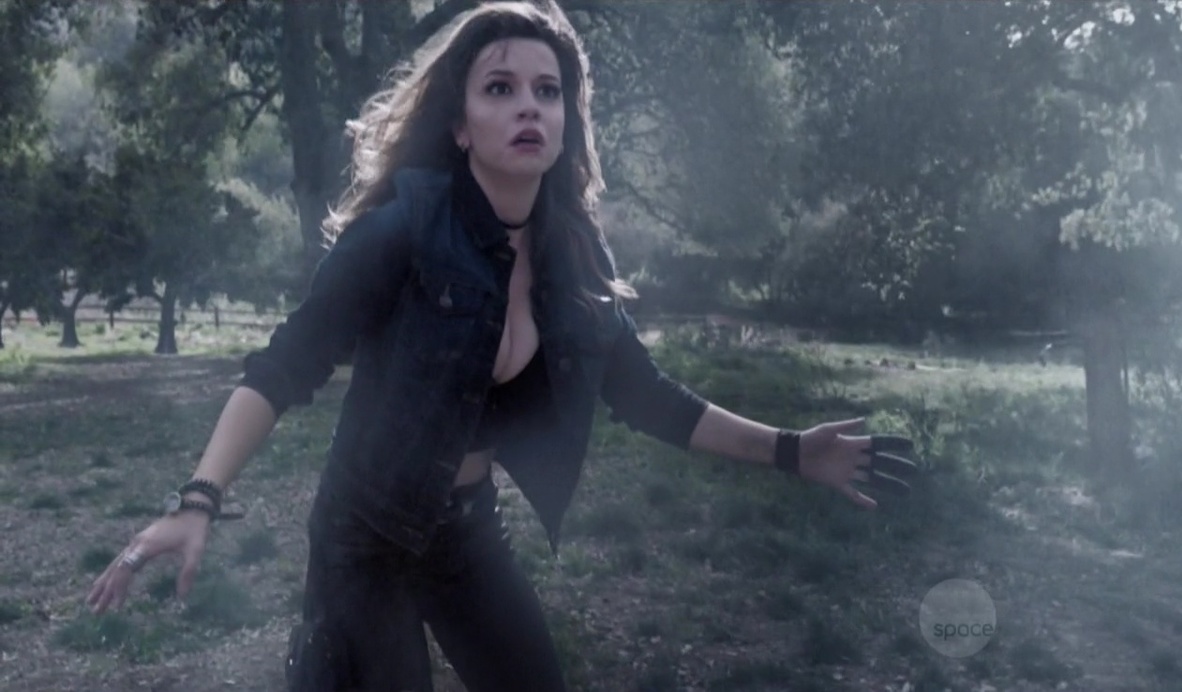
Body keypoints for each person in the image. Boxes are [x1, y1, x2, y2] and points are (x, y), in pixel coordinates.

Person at [85, 2, 918, 690]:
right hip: (363, 540)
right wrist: (198, 501)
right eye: (501, 88)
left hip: (465, 531)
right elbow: (282, 369)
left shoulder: (575, 260)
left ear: (566, 121)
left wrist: (791, 452)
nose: (529, 107)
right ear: (459, 125)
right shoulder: (401, 233)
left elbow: (648, 395)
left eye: (548, 92)